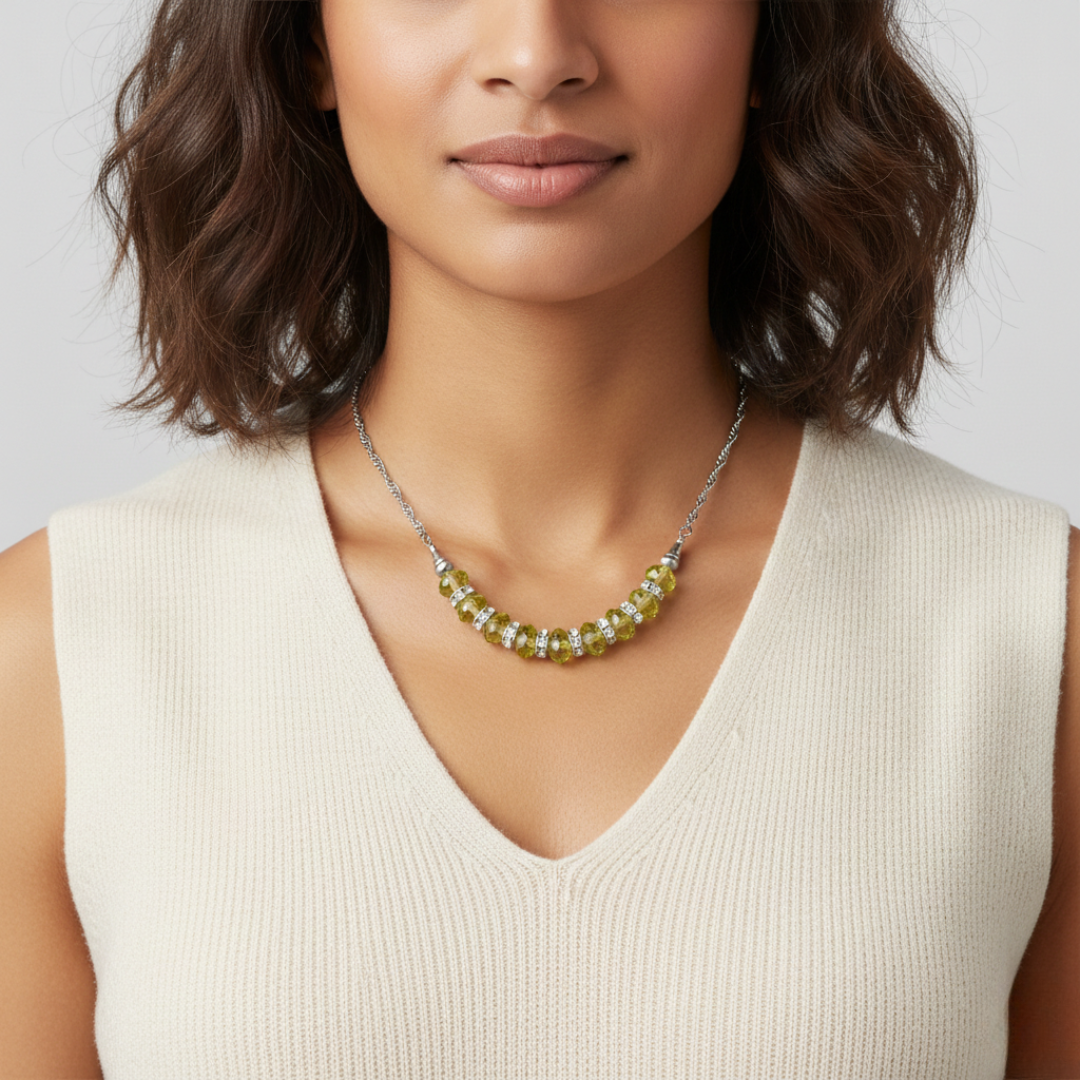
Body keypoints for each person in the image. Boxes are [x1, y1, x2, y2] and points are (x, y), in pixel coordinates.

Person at [1, 0, 1076, 1076]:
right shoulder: (60, 651)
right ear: (308, 44)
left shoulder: (1031, 640)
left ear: (775, 36)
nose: (537, 56)